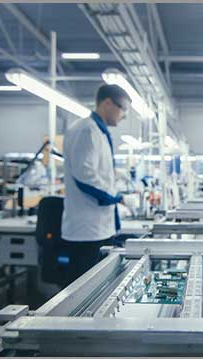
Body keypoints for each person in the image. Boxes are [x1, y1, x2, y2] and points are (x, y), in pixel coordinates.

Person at [61, 84, 131, 285]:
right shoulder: (86, 130)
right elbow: (85, 177)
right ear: (108, 103)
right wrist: (119, 197)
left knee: (97, 287)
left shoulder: (99, 132)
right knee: (83, 291)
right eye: (123, 109)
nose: (124, 115)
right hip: (87, 230)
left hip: (99, 227)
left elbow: (96, 171)